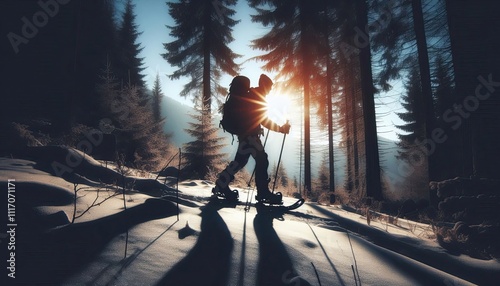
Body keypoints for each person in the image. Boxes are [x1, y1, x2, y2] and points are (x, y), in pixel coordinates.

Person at [212, 74, 290, 204]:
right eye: (269, 87)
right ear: (264, 85)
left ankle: (222, 184)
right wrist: (280, 129)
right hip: (250, 137)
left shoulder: (251, 95)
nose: (270, 90)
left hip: (245, 136)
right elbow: (263, 120)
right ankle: (263, 193)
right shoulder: (256, 97)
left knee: (240, 161)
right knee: (262, 160)